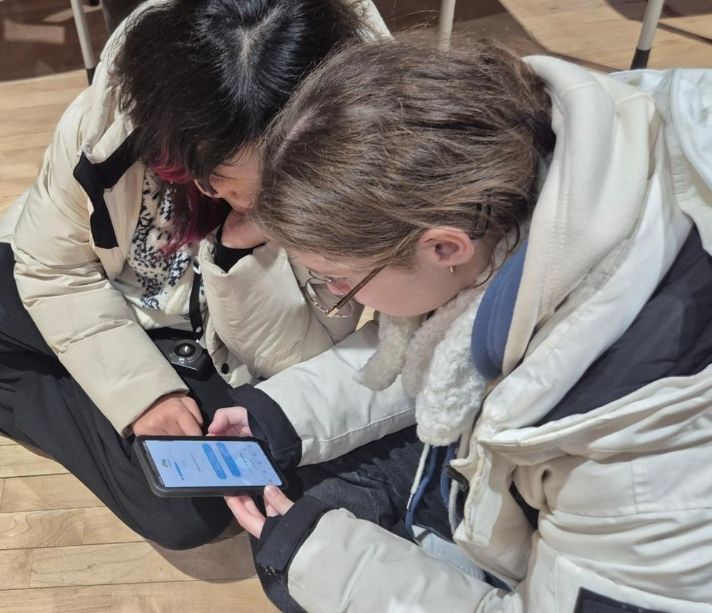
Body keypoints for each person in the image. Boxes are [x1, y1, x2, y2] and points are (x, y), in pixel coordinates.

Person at [209, 40, 712, 611]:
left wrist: (327, 565)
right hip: (514, 496)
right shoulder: (543, 150)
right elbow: (441, 335)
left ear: (444, 247)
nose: (339, 295)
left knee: (291, 564)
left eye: (339, 280)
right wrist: (284, 413)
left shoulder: (641, 453)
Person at [0, 0, 387, 549]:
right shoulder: (114, 112)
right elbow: (52, 266)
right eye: (198, 167)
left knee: (189, 513)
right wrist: (142, 396)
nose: (207, 190)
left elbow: (304, 358)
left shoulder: (356, 170)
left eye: (228, 178)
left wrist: (236, 257)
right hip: (85, 281)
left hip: (204, 338)